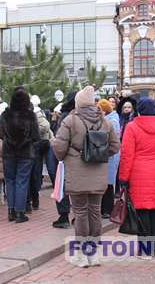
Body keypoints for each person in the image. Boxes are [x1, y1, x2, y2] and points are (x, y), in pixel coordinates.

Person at [53, 86, 120, 267]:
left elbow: (59, 146)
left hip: (77, 171)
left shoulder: (70, 120)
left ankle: (81, 255)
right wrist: (100, 155)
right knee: (95, 211)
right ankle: (95, 253)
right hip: (98, 171)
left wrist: (66, 157)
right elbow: (115, 145)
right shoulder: (105, 121)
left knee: (81, 212)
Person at [120, 97, 155, 258]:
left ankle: (144, 249)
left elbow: (127, 155)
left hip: (138, 172)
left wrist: (123, 178)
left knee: (141, 208)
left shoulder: (132, 127)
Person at [0, 88, 40, 223]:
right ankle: (20, 212)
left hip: (8, 152)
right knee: (22, 181)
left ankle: (10, 211)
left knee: (10, 181)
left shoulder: (5, 115)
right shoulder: (30, 115)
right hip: (26, 153)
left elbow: (0, 134)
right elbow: (36, 136)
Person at [47, 92, 75, 229]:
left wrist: (59, 156)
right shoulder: (94, 116)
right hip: (86, 158)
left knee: (62, 185)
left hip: (66, 158)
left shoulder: (66, 117)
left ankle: (64, 216)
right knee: (79, 187)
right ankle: (79, 216)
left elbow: (60, 140)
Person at [28, 95, 53, 212]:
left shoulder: (37, 113)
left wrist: (34, 132)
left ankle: (33, 199)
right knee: (33, 174)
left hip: (35, 147)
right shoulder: (33, 113)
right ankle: (33, 200)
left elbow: (46, 126)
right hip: (34, 147)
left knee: (34, 174)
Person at [98, 99, 120, 219]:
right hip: (107, 155)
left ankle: (108, 209)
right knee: (106, 182)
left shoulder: (113, 120)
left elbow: (114, 139)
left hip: (111, 156)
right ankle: (105, 208)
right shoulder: (109, 119)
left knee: (109, 183)